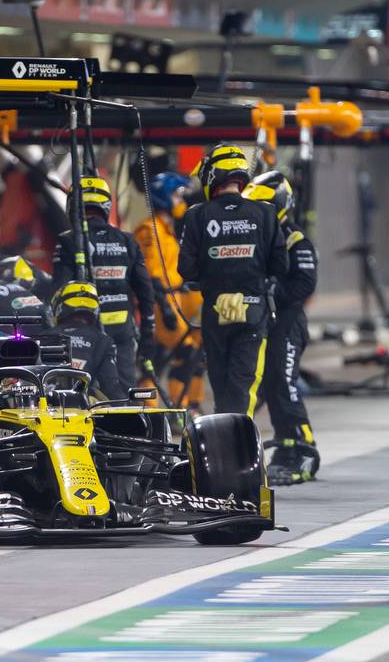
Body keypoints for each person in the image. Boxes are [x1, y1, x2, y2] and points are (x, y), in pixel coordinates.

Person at [178, 145, 287, 416]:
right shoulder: (265, 213)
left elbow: (186, 269)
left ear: (212, 174)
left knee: (223, 391)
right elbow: (281, 266)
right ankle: (241, 450)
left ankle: (225, 450)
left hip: (215, 315)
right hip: (253, 313)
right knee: (244, 388)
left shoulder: (196, 215)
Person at [244, 171, 320, 485]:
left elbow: (305, 282)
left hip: (288, 323)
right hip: (269, 323)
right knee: (270, 385)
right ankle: (285, 450)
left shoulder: (295, 239)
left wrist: (271, 292)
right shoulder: (261, 239)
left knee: (285, 385)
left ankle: (303, 450)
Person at [53, 176, 158, 391]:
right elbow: (146, 292)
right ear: (106, 206)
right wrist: (148, 333)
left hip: (84, 330)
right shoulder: (127, 240)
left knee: (79, 392)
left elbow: (59, 289)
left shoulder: (69, 240)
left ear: (72, 205)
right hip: (122, 330)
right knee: (123, 394)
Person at [135, 172, 205, 409]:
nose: (181, 201)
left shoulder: (167, 229)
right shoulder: (149, 230)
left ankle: (161, 406)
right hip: (161, 301)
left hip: (175, 298)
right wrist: (164, 308)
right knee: (186, 353)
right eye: (176, 196)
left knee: (158, 358)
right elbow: (151, 272)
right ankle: (180, 407)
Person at [51, 281, 123, 400]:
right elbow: (111, 387)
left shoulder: (44, 336)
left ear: (59, 306)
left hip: (45, 409)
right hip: (83, 411)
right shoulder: (103, 340)